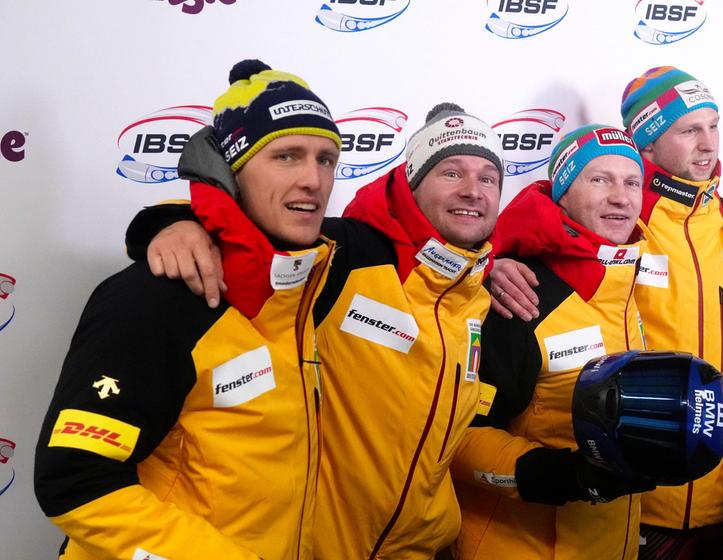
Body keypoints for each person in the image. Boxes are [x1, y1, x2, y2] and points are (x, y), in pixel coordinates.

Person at [129, 102, 506, 559]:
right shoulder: (346, 253)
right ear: (411, 183)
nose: (473, 191)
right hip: (318, 546)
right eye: (451, 173)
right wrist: (171, 222)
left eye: (488, 178)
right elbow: (253, 232)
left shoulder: (478, 293)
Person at [34, 60, 341, 559]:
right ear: (233, 171)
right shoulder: (155, 296)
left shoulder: (309, 285)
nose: (314, 179)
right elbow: (74, 481)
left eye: (326, 159)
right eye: (286, 156)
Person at [488, 67, 723, 558]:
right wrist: (490, 265)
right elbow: (526, 228)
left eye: (714, 126)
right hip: (630, 504)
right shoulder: (622, 217)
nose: (708, 143)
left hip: (722, 505)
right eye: (689, 130)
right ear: (646, 145)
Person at [449, 124, 655, 559]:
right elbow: (460, 436)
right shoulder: (521, 294)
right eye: (599, 179)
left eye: (631, 182)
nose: (621, 196)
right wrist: (561, 476)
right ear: (562, 193)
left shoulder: (629, 280)